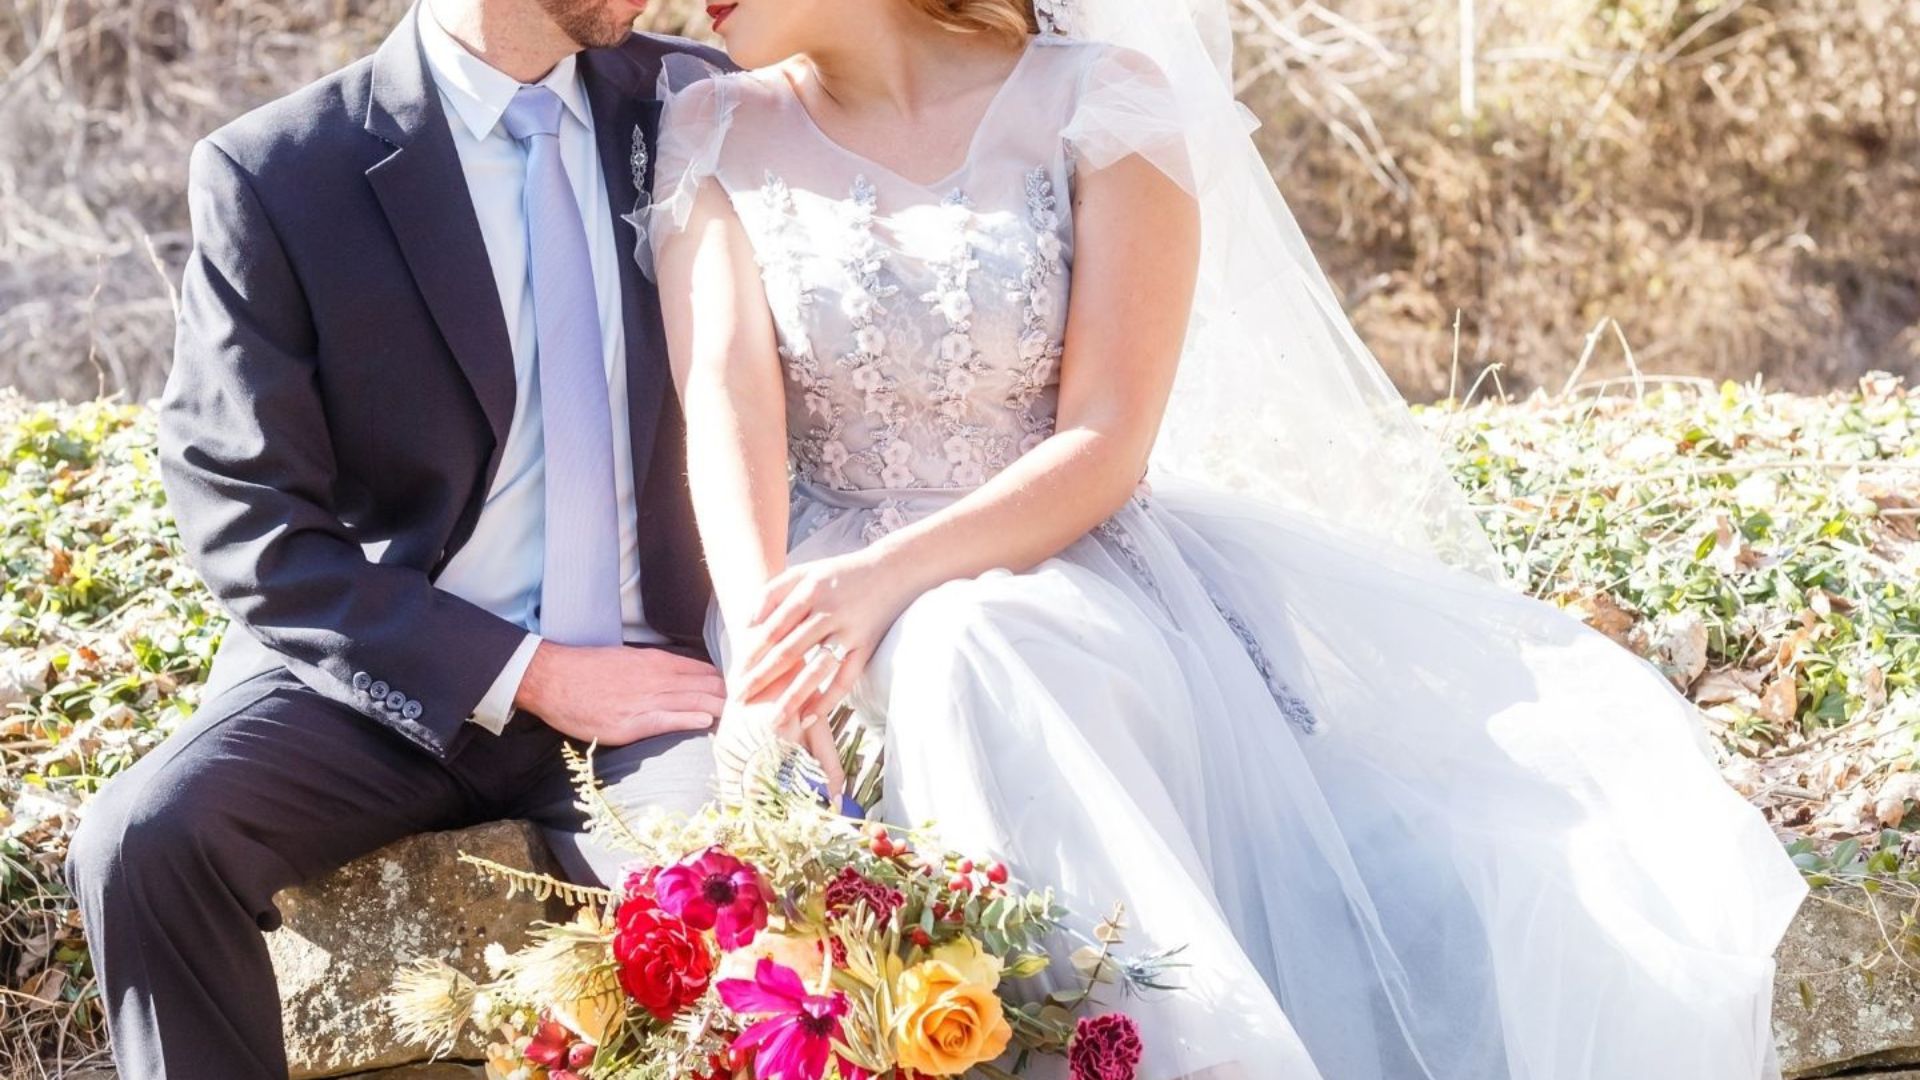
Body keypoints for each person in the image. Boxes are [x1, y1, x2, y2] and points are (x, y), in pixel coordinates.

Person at [646, 0, 1810, 1076]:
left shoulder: (1102, 102)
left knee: (973, 643)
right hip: (816, 602)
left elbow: (1107, 441)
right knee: (949, 652)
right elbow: (725, 404)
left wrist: (878, 583)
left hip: (1070, 568)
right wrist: (770, 645)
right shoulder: (713, 128)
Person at [63, 0, 729, 1075]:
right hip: (394, 679)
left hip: (658, 688)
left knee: (740, 885)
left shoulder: (697, 105)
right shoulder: (279, 172)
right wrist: (530, 673)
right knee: (146, 841)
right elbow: (244, 512)